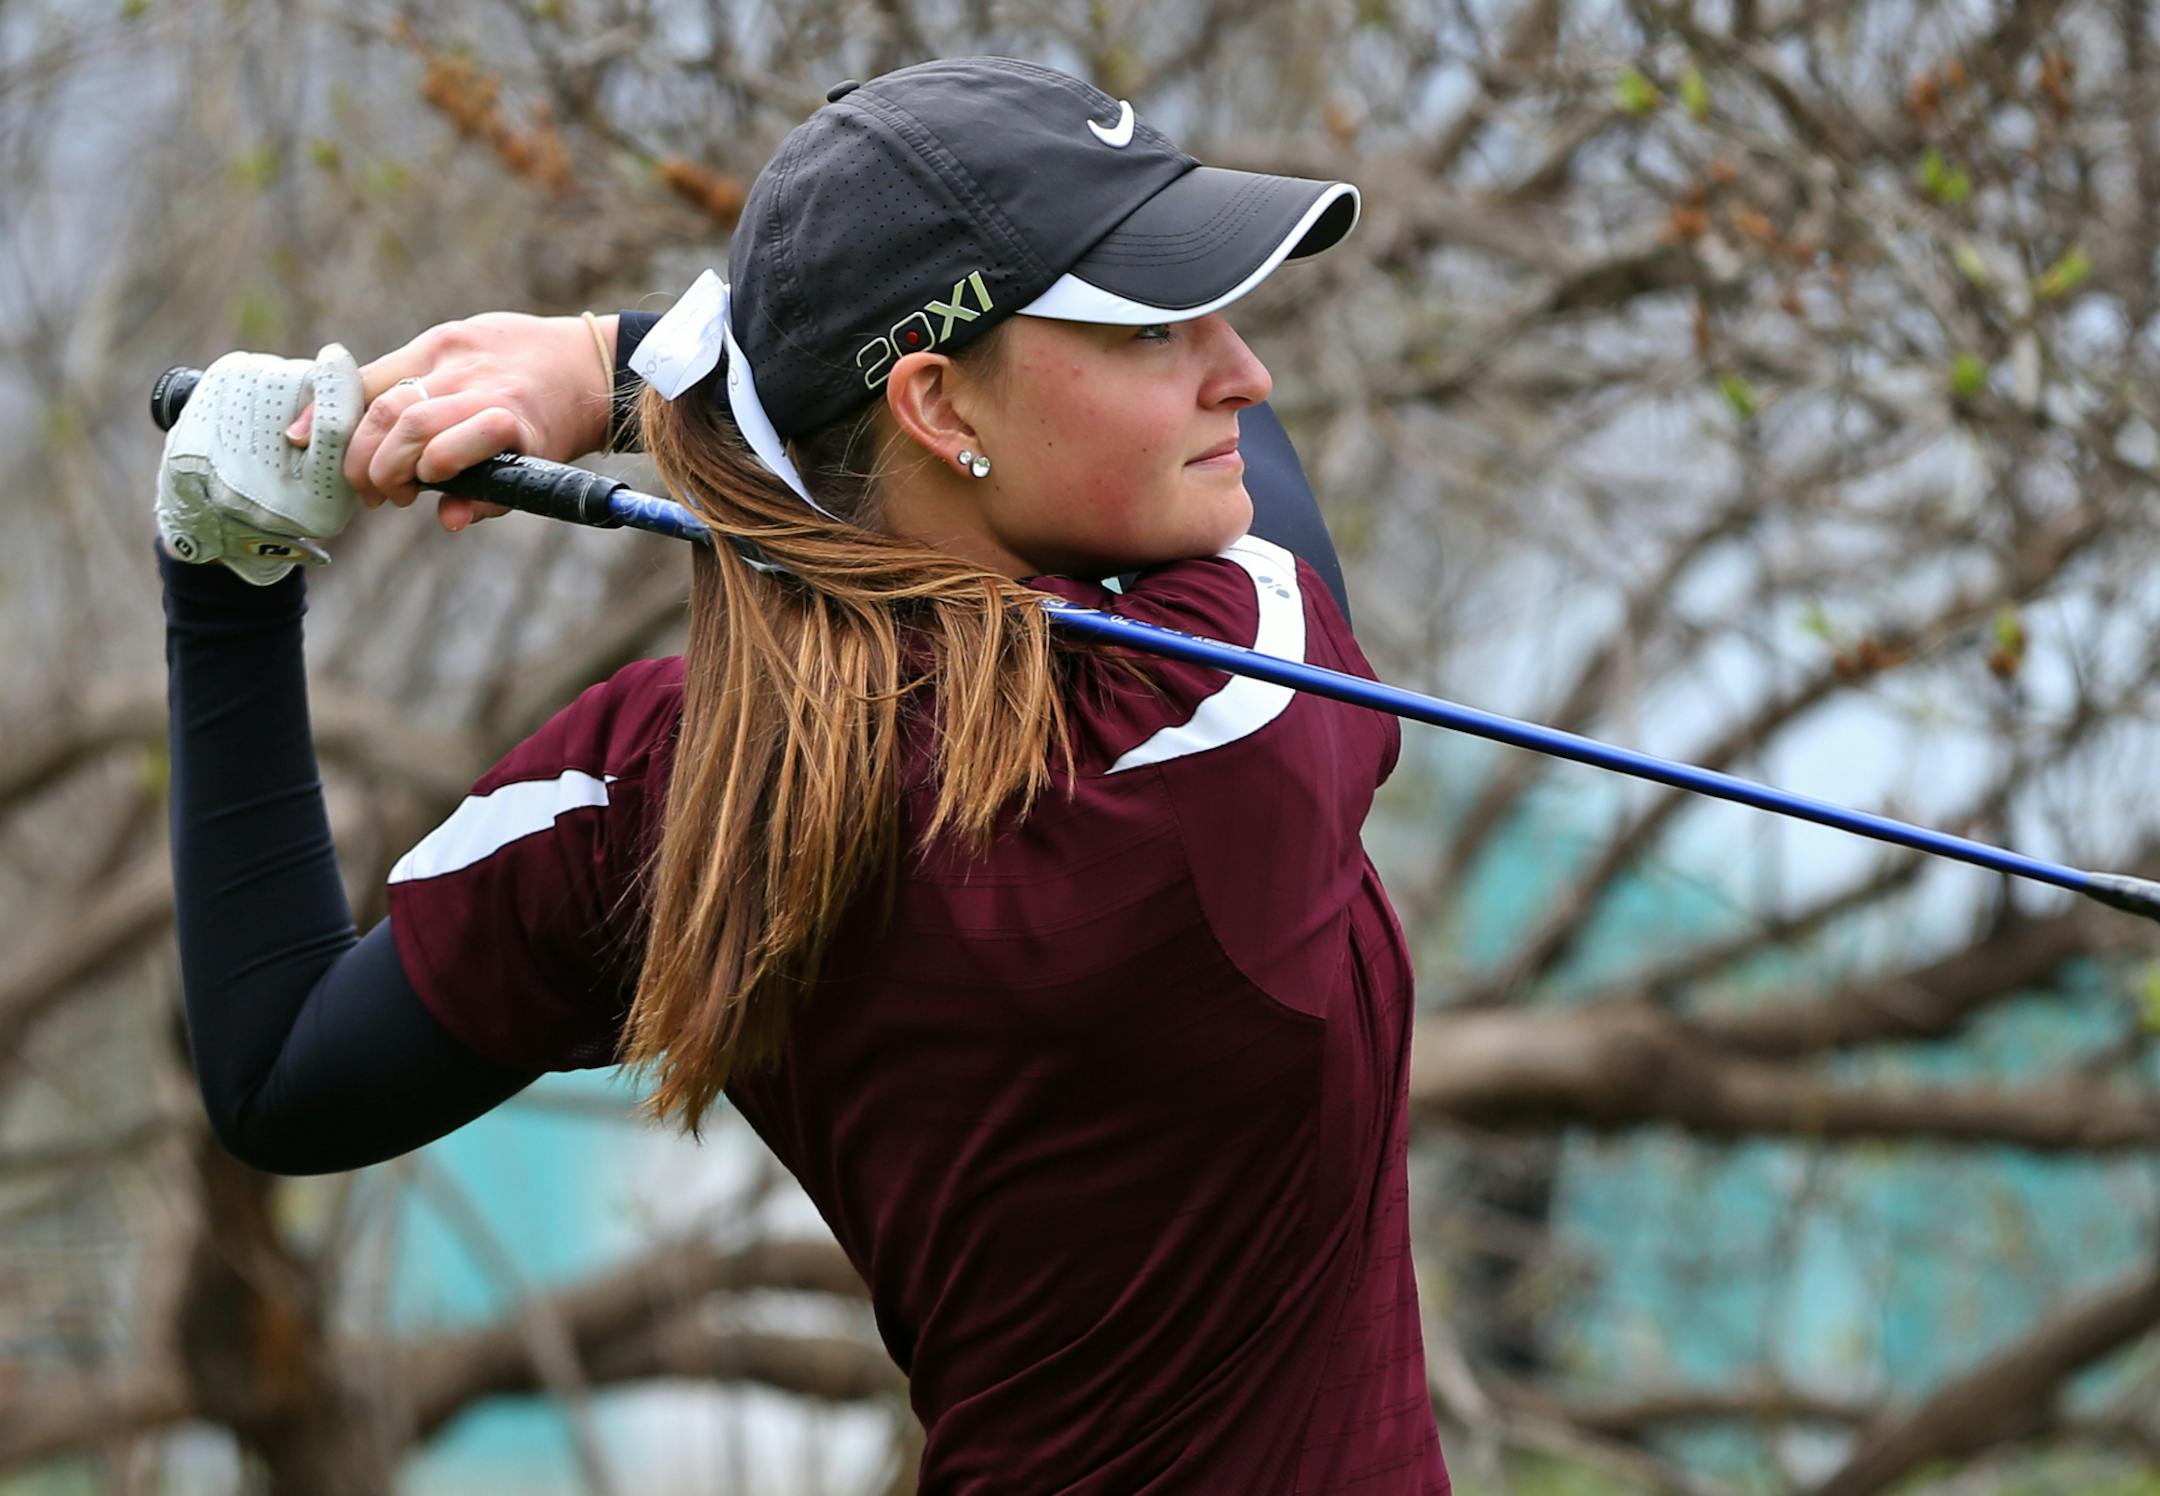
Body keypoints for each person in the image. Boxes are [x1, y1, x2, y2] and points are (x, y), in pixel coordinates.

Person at [160, 56, 1447, 1493]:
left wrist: (224, 573)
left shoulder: (677, 789)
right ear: (943, 409)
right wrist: (624, 364)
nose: (1241, 368)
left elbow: (284, 1073)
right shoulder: (1213, 714)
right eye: (1148, 325)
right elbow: (1254, 488)